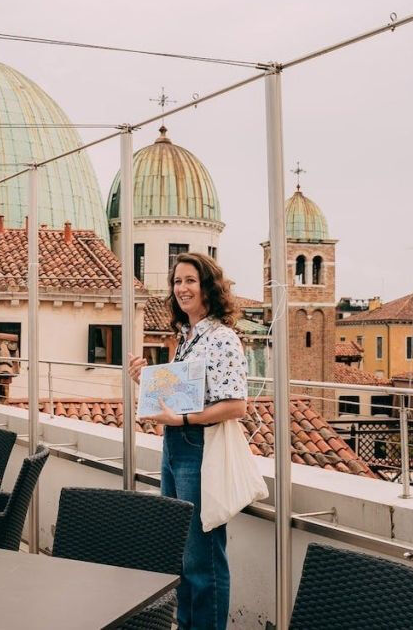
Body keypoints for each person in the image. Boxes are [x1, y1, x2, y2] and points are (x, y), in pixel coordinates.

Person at [132, 252, 248, 630]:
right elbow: (187, 393)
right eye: (177, 282)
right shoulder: (188, 338)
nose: (181, 288)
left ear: (207, 287)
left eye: (189, 281)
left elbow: (235, 405)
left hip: (198, 448)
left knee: (203, 558)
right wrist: (146, 381)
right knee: (181, 552)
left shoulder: (222, 338)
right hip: (176, 445)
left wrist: (180, 420)